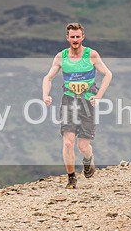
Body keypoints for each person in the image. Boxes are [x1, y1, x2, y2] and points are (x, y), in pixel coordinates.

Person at [42, 22, 112, 189]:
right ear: (67, 38)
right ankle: (71, 178)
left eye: (77, 36)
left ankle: (88, 159)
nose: (75, 39)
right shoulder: (61, 57)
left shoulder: (91, 55)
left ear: (82, 37)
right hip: (69, 101)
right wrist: (45, 94)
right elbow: (48, 78)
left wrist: (99, 96)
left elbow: (108, 74)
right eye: (72, 37)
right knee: (68, 142)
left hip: (87, 102)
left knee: (83, 146)